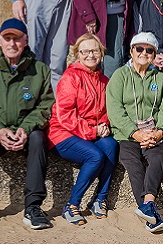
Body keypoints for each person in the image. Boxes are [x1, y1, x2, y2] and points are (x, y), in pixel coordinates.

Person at [0, 18, 55, 232]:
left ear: (26, 41)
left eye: (17, 38)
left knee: (38, 138)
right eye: (7, 38)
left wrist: (26, 127)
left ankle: (33, 207)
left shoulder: (40, 70)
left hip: (25, 132)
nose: (12, 43)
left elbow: (44, 106)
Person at [46, 34, 118, 226]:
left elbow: (107, 110)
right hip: (62, 133)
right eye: (85, 51)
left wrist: (103, 126)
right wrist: (93, 132)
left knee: (111, 146)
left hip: (90, 132)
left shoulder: (104, 80)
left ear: (101, 53)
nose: (90, 55)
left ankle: (99, 199)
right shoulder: (70, 78)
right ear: (77, 54)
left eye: (95, 50)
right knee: (95, 156)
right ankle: (72, 205)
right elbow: (65, 115)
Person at [106, 32, 163, 233]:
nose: (144, 53)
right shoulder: (120, 76)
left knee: (157, 158)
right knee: (132, 162)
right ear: (131, 51)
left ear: (154, 54)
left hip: (152, 133)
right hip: (127, 135)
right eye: (139, 49)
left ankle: (147, 205)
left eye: (149, 50)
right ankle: (150, 212)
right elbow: (114, 109)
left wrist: (160, 131)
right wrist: (135, 133)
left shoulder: (160, 77)